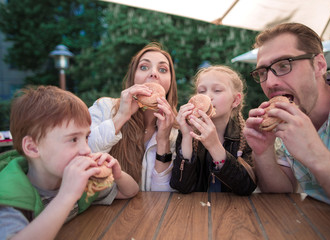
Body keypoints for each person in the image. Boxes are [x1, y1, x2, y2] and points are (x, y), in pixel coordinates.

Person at [243, 22, 330, 224]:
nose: (270, 83)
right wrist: (264, 153)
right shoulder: (286, 117)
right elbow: (281, 191)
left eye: (284, 65)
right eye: (263, 72)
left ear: (319, 65)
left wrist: (314, 154)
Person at [0, 86, 139, 239]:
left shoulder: (82, 182)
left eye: (86, 137)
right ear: (32, 148)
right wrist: (67, 195)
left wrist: (117, 174)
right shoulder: (10, 196)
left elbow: (129, 191)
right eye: (73, 139)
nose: (86, 149)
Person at [88, 42, 178, 191]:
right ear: (133, 77)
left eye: (162, 69)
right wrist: (121, 116)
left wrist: (163, 141)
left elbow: (163, 193)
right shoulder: (104, 108)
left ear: (170, 84)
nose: (153, 73)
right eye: (144, 67)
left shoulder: (174, 130)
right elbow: (84, 153)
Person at [170, 65, 257, 195]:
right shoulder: (188, 133)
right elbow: (182, 186)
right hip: (196, 209)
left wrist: (214, 146)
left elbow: (246, 187)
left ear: (235, 100)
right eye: (201, 91)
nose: (208, 97)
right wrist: (187, 137)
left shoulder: (246, 136)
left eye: (217, 90)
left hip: (234, 211)